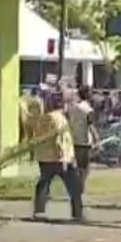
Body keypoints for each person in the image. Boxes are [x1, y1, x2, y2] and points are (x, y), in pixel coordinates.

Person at [32, 92, 84, 222]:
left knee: (44, 184)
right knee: (74, 186)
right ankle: (77, 213)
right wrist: (64, 157)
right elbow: (61, 139)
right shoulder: (59, 119)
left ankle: (39, 211)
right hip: (59, 158)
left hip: (44, 157)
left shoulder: (43, 118)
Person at [67, 86, 98, 193]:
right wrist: (97, 140)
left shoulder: (72, 108)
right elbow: (91, 126)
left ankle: (76, 187)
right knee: (85, 169)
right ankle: (79, 188)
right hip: (85, 142)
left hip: (74, 141)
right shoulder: (88, 110)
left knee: (77, 167)